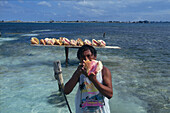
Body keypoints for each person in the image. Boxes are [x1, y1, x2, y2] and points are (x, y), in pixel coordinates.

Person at [64, 45, 113, 113]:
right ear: (80, 59)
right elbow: (66, 91)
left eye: (89, 56)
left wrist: (93, 79)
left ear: (95, 57)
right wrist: (77, 74)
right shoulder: (80, 72)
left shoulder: (103, 70)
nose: (86, 59)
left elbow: (110, 94)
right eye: (83, 58)